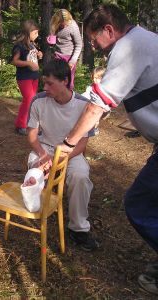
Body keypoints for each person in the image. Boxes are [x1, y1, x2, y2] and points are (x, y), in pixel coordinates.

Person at [56, 4, 158, 294]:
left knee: (139, 203)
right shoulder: (146, 40)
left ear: (109, 30)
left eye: (92, 39)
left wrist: (67, 143)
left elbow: (98, 106)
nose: (92, 46)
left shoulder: (128, 48)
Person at [27, 59, 98, 252]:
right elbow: (32, 135)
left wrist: (59, 161)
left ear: (65, 81)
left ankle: (79, 228)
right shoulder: (38, 100)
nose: (45, 87)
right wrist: (42, 156)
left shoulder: (84, 105)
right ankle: (37, 210)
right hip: (44, 149)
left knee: (80, 176)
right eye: (44, 82)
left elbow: (83, 143)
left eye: (50, 83)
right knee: (34, 173)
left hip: (71, 153)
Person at [11, 20, 43, 136]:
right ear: (28, 32)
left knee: (33, 101)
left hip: (34, 76)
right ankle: (20, 125)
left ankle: (30, 124)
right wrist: (28, 64)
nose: (37, 35)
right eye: (35, 33)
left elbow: (32, 58)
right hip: (24, 78)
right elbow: (14, 61)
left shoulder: (32, 45)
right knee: (28, 100)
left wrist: (39, 55)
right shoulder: (19, 46)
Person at [48, 9, 83, 90]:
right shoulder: (54, 25)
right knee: (56, 79)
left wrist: (72, 61)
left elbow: (79, 44)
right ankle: (56, 99)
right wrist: (51, 41)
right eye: (63, 24)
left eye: (67, 23)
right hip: (57, 55)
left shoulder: (73, 27)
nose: (65, 26)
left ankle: (69, 100)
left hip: (69, 57)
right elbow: (54, 39)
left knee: (68, 82)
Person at [82, 66, 106, 134]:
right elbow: (87, 94)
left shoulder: (103, 88)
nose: (95, 80)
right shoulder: (92, 86)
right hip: (90, 105)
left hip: (99, 107)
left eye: (98, 78)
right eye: (94, 77)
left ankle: (93, 129)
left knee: (95, 119)